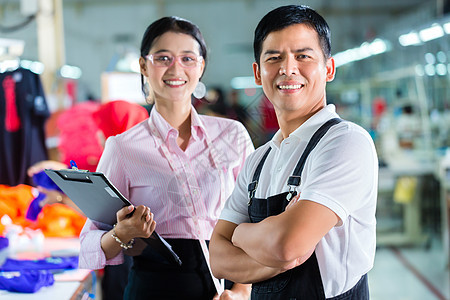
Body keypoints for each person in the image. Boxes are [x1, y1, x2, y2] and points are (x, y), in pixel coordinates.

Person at [78, 16, 253, 300]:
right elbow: (90, 240)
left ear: (201, 66)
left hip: (225, 290)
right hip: (154, 290)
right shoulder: (123, 148)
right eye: (163, 58)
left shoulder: (232, 135)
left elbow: (255, 216)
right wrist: (123, 233)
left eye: (187, 58)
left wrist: (243, 292)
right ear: (144, 66)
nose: (176, 68)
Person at [210, 5, 378, 299]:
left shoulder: (345, 143)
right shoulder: (258, 162)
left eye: (303, 56)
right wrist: (275, 248)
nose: (288, 68)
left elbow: (289, 246)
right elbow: (218, 258)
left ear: (328, 68)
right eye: (274, 57)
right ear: (258, 73)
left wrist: (240, 234)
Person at [27, 100, 149, 300]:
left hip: (131, 262)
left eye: (102, 129)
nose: (98, 135)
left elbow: (104, 212)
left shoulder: (128, 169)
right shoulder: (131, 162)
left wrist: (61, 195)